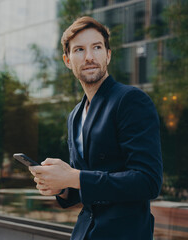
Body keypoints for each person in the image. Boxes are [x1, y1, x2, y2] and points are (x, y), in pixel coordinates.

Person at [29, 16, 163, 240]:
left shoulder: (130, 100)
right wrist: (61, 187)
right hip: (85, 233)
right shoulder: (75, 115)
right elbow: (84, 184)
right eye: (79, 50)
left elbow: (148, 181)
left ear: (108, 55)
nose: (89, 57)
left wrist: (73, 177)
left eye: (97, 47)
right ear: (67, 60)